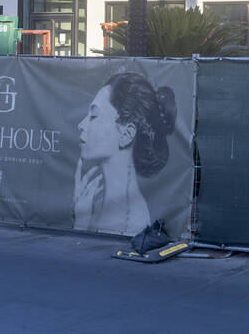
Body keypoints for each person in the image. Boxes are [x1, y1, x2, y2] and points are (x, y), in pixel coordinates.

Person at [73, 71, 176, 235]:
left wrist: (80, 225)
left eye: (94, 115)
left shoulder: (130, 221)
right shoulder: (96, 197)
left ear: (127, 134)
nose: (81, 125)